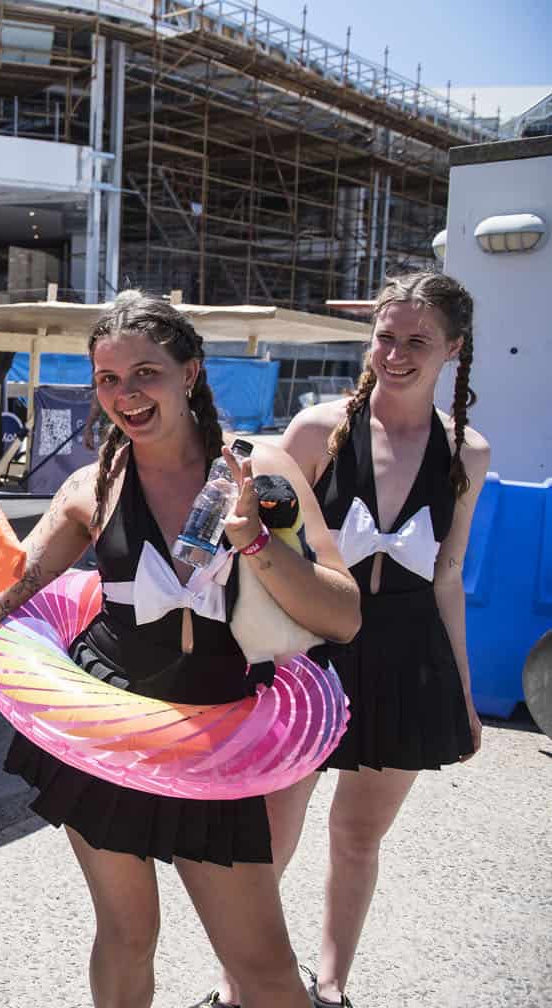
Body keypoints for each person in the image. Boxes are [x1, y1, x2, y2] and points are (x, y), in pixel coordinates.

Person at [0, 292, 361, 1008]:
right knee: (126, 934)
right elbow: (4, 598)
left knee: (264, 968)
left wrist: (257, 542)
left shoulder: (256, 469)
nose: (125, 395)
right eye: (108, 380)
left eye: (145, 373)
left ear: (191, 373)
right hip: (110, 731)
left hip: (215, 729)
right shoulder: (95, 486)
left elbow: (344, 616)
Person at [197, 271, 489, 1008]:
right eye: (385, 337)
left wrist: (462, 688)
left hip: (410, 658)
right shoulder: (315, 431)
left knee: (359, 836)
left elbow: (448, 578)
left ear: (452, 349)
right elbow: (262, 551)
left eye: (417, 340)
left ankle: (331, 986)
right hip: (316, 648)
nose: (394, 353)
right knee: (270, 832)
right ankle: (239, 985)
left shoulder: (469, 454)